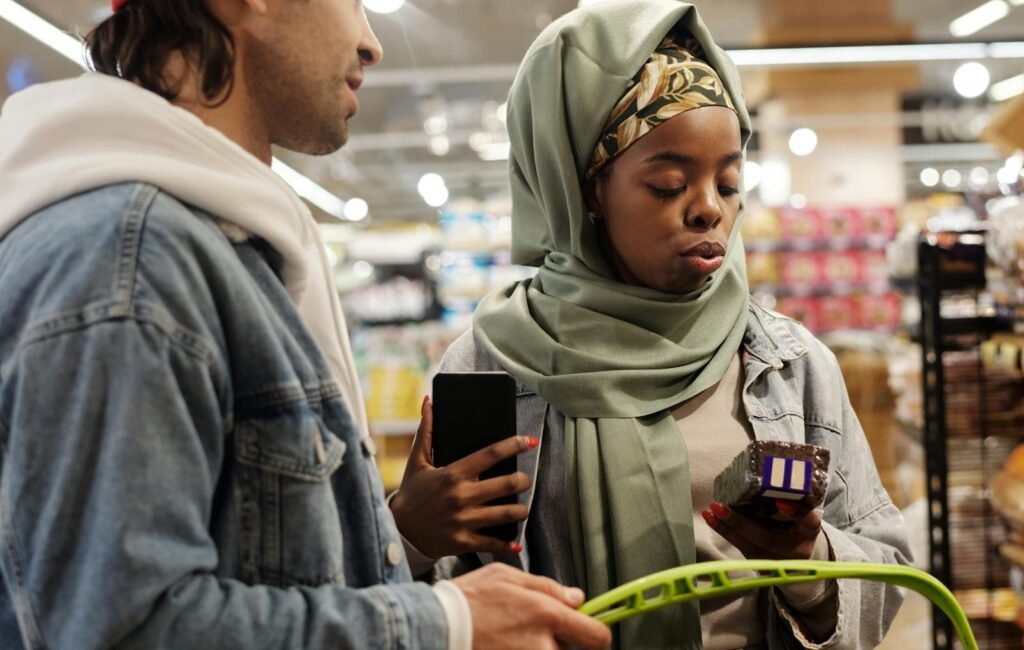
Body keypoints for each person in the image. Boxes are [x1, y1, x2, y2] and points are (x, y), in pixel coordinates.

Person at [0, 1, 609, 649]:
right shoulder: (135, 260)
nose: (371, 43)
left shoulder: (216, 246)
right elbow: (120, 629)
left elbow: (250, 556)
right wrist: (447, 623)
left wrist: (396, 539)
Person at [390, 1, 913, 648]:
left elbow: (888, 568)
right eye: (668, 185)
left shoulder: (789, 363)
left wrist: (813, 566)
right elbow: (427, 607)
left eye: (729, 184)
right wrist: (408, 537)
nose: (708, 210)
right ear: (585, 190)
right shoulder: (493, 364)